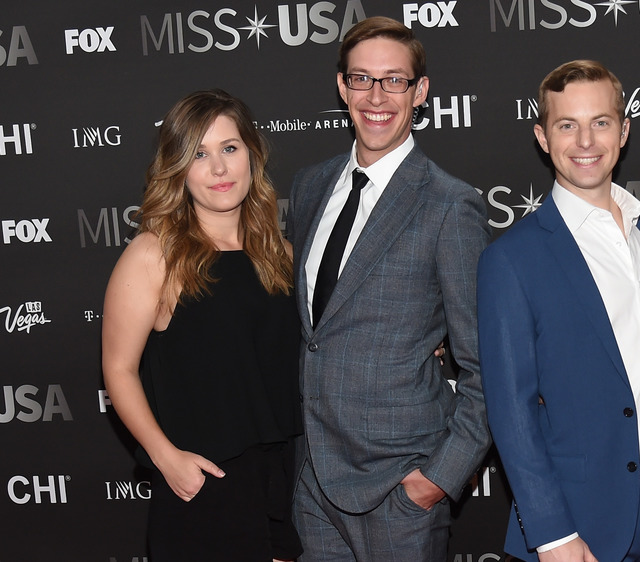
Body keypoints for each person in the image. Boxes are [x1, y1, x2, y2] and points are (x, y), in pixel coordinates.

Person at [287, 16, 491, 562]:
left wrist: (437, 479)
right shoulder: (309, 187)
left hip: (399, 488)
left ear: (420, 92)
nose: (376, 96)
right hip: (313, 479)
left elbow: (485, 366)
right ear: (342, 87)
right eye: (361, 79)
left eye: (394, 80)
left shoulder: (450, 206)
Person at [478, 60, 640, 562]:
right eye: (566, 125)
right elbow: (512, 412)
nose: (586, 141)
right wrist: (552, 535)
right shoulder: (511, 259)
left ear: (624, 130)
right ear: (542, 137)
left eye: (600, 122)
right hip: (579, 521)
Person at [102, 89, 303, 561]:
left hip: (283, 482)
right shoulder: (155, 255)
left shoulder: (282, 255)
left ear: (251, 154)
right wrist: (165, 458)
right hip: (202, 485)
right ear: (177, 169)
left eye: (229, 149)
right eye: (199, 154)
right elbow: (118, 369)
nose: (219, 168)